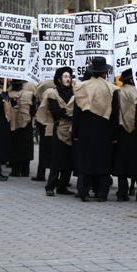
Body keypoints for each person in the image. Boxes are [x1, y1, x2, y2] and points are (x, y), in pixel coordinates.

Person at [72, 57, 120, 201]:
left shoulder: (82, 86)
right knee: (103, 163)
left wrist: (75, 133)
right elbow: (114, 114)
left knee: (85, 162)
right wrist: (114, 135)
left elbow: (77, 112)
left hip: (85, 130)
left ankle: (83, 192)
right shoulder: (112, 88)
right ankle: (101, 194)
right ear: (105, 72)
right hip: (104, 131)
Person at [113, 70, 137, 200]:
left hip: (121, 129)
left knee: (121, 162)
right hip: (134, 130)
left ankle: (122, 192)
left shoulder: (117, 91)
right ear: (132, 79)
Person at [44, 67, 76, 196]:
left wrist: (67, 113)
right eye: (65, 76)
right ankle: (50, 186)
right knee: (57, 159)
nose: (68, 79)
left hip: (71, 129)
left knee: (68, 159)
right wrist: (68, 113)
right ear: (59, 79)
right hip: (58, 129)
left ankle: (63, 186)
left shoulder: (75, 92)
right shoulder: (53, 93)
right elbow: (55, 112)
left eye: (69, 76)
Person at [8, 80, 35, 177]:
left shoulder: (8, 94)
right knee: (26, 147)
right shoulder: (30, 94)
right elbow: (33, 111)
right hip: (26, 123)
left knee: (15, 147)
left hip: (13, 124)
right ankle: (25, 171)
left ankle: (15, 171)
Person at [32, 77, 56, 182]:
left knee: (43, 150)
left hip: (44, 121)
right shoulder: (58, 89)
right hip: (54, 122)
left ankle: (41, 174)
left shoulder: (43, 85)